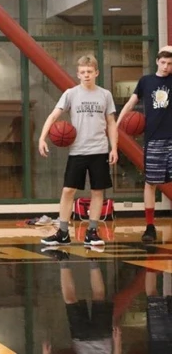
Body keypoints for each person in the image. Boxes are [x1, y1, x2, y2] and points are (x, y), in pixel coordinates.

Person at [39, 55, 118, 248]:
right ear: (78, 74)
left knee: (98, 191)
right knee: (68, 190)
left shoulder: (105, 95)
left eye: (89, 71)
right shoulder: (71, 94)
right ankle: (63, 232)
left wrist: (114, 147)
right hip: (77, 151)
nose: (86, 75)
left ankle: (92, 231)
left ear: (96, 73)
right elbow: (53, 115)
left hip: (99, 149)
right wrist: (42, 137)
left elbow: (111, 123)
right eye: (82, 72)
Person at [116, 49, 172, 243]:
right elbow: (131, 103)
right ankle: (150, 227)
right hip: (154, 139)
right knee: (151, 183)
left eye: (170, 63)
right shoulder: (146, 81)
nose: (166, 67)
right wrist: (117, 124)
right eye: (163, 62)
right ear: (157, 61)